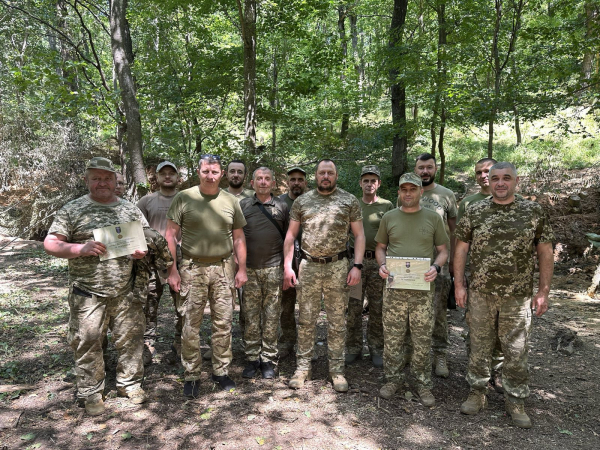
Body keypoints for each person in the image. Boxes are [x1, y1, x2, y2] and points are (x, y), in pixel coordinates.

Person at [43, 157, 151, 416]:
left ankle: (130, 384)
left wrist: (140, 252)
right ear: (86, 180)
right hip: (87, 292)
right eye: (96, 178)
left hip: (125, 289)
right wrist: (80, 248)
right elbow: (50, 243)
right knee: (87, 341)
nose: (102, 182)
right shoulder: (73, 209)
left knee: (130, 339)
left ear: (115, 181)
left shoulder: (130, 209)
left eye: (107, 178)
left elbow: (145, 239)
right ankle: (91, 392)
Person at [454, 162, 554, 428]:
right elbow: (461, 249)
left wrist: (543, 291)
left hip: (517, 296)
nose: (500, 183)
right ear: (489, 181)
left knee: (516, 350)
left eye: (506, 178)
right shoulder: (475, 211)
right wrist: (458, 285)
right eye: (495, 178)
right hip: (480, 294)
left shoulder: (533, 211)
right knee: (479, 345)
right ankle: (477, 392)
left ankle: (516, 399)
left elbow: (545, 251)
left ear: (516, 181)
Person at [165, 154, 247, 397]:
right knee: (191, 324)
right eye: (206, 171)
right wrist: (172, 270)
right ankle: (191, 374)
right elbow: (170, 235)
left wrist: (241, 268)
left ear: (221, 174)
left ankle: (220, 371)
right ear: (198, 172)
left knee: (223, 323)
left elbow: (239, 237)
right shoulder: (184, 197)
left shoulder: (230, 201)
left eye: (214, 172)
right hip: (192, 268)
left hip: (223, 268)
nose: (210, 176)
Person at [283, 159, 365, 392]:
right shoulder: (302, 201)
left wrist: (356, 265)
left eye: (330, 172)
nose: (326, 176)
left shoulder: (349, 200)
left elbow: (359, 235)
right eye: (322, 173)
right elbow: (290, 236)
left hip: (338, 266)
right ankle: (302, 368)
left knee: (337, 322)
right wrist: (288, 267)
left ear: (336, 175)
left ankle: (337, 370)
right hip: (308, 267)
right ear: (315, 176)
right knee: (306, 319)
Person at [375, 172, 449, 407]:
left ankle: (423, 383)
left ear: (420, 191)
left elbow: (443, 250)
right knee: (393, 336)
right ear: (399, 192)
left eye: (413, 189)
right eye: (404, 189)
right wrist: (382, 265)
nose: (408, 193)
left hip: (422, 288)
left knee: (421, 337)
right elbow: (380, 248)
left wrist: (436, 267)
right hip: (395, 288)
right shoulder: (389, 217)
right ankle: (393, 379)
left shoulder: (433, 218)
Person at [457, 157, 505, 391]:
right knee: (477, 329)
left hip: (509, 283)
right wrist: (460, 278)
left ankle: (498, 372)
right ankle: (477, 373)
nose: (483, 175)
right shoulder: (468, 204)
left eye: (488, 171)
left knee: (504, 331)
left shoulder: (518, 203)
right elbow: (461, 244)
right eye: (479, 172)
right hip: (478, 280)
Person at [240, 167, 289, 379]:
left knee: (271, 316)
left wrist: (288, 268)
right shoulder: (243, 205)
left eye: (267, 178)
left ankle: (268, 358)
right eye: (259, 178)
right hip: (249, 269)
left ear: (273, 182)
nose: (262, 182)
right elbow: (236, 237)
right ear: (252, 183)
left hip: (274, 268)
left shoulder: (282, 206)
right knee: (250, 316)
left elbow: (290, 239)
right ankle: (252, 358)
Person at [414, 152, 458, 378]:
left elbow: (454, 231)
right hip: (411, 266)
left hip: (438, 265)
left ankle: (440, 354)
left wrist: (452, 263)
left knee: (438, 312)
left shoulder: (446, 195)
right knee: (412, 311)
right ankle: (413, 353)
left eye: (429, 167)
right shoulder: (407, 193)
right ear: (415, 170)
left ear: (435, 169)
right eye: (421, 167)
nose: (425, 172)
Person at [346, 165, 393, 368]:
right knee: (354, 306)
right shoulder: (353, 205)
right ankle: (353, 348)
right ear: (360, 183)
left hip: (379, 263)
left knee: (377, 307)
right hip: (356, 264)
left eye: (373, 180)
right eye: (365, 180)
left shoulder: (387, 206)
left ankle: (377, 349)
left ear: (378, 183)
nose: (369, 184)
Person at [136, 161, 182, 364]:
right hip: (152, 260)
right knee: (149, 302)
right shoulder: (146, 202)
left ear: (177, 176)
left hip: (180, 258)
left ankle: (181, 341)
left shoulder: (186, 199)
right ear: (156, 177)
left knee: (183, 303)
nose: (168, 176)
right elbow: (135, 229)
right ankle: (147, 344)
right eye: (163, 173)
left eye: (172, 173)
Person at [278, 167, 307, 358]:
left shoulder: (312, 201)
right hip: (285, 259)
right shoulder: (279, 202)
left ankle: (305, 345)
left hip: (307, 259)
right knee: (285, 306)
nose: (296, 182)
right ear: (288, 182)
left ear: (305, 182)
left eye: (300, 179)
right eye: (293, 179)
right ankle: (287, 341)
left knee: (307, 306)